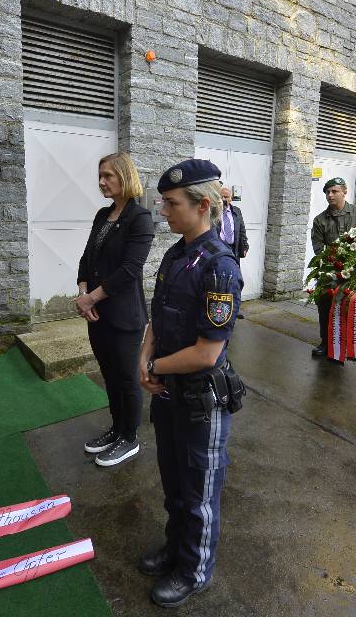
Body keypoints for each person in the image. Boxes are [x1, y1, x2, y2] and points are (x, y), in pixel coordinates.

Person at [137, 159, 244, 608]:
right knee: (175, 483)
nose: (163, 210)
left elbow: (207, 352)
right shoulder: (177, 253)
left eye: (171, 203)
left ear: (202, 205)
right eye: (163, 201)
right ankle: (175, 548)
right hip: (168, 394)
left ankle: (194, 570)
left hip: (201, 399)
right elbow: (157, 318)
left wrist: (155, 364)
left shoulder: (220, 267)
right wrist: (143, 358)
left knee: (199, 491)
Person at [75, 152, 155, 467]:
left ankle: (130, 438)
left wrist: (91, 298)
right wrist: (83, 293)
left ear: (125, 176)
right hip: (97, 314)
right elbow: (86, 259)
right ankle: (116, 429)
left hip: (124, 316)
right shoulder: (101, 215)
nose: (102, 182)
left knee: (126, 378)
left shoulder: (140, 218)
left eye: (108, 175)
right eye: (100, 176)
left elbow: (129, 270)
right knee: (109, 375)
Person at [310, 177, 356, 357]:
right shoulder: (320, 220)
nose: (330, 195)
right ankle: (326, 343)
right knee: (325, 307)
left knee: (353, 308)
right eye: (327, 192)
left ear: (345, 192)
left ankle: (351, 344)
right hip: (329, 272)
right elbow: (319, 249)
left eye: (334, 191)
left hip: (355, 272)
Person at [216, 186, 249, 263]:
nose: (223, 199)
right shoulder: (213, 211)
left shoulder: (237, 211)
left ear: (230, 198)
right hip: (219, 248)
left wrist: (245, 246)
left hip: (234, 248)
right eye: (221, 197)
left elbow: (242, 230)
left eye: (226, 197)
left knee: (233, 271)